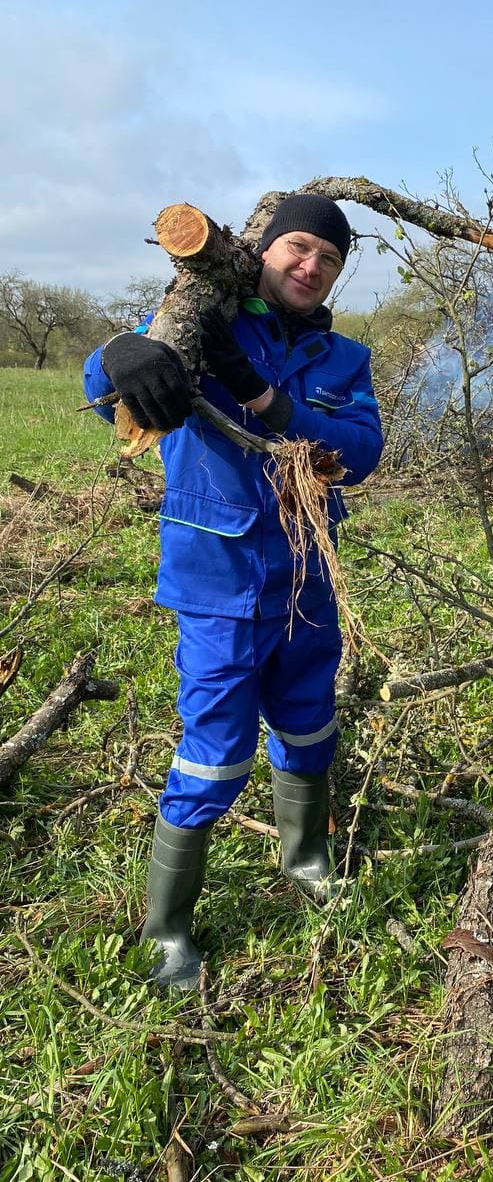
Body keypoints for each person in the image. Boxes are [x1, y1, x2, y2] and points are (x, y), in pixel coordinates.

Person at [84, 194, 384, 989]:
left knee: (309, 722)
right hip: (218, 582)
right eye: (298, 247)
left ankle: (307, 859)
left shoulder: (345, 360)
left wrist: (262, 396)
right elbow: (108, 379)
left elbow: (359, 451)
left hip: (310, 580)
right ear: (261, 251)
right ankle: (167, 930)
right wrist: (120, 352)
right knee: (215, 749)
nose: (311, 265)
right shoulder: (206, 322)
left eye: (329, 258)